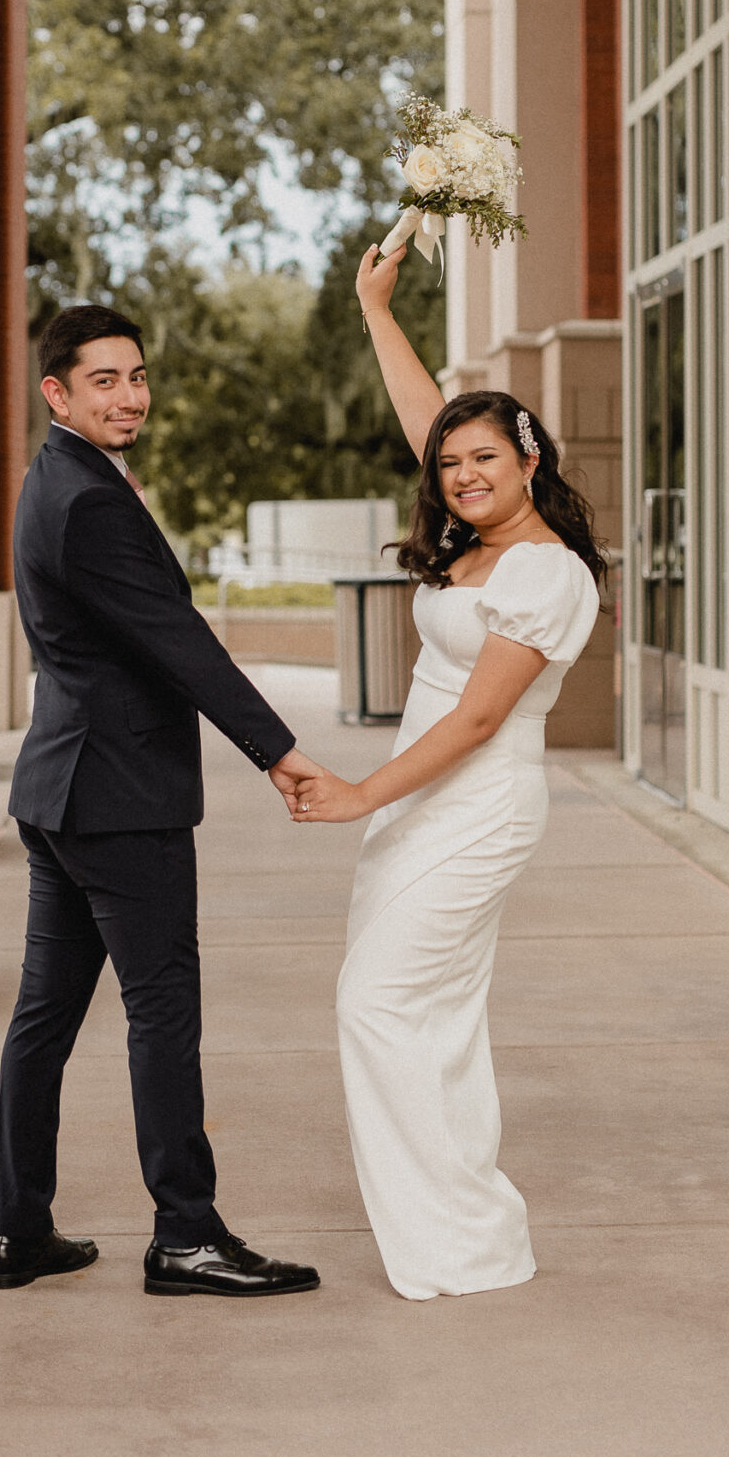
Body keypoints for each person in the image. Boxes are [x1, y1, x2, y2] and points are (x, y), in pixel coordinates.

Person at [0, 302, 326, 1299]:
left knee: (42, 1016)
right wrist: (278, 749)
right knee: (162, 1011)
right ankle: (185, 1233)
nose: (129, 395)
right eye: (104, 380)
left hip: (63, 787)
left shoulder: (57, 477)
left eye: (136, 376)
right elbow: (177, 640)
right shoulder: (84, 497)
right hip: (117, 795)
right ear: (55, 391)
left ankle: (19, 1230)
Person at [290, 244, 608, 1300]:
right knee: (429, 1015)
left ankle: (457, 1232)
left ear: (530, 460)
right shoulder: (472, 544)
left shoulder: (543, 571)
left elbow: (478, 719)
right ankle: (470, 1239)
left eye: (485, 458)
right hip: (420, 800)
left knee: (377, 1003)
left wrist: (357, 794)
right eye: (450, 463)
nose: (462, 474)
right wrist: (376, 308)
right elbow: (424, 416)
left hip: (472, 802)